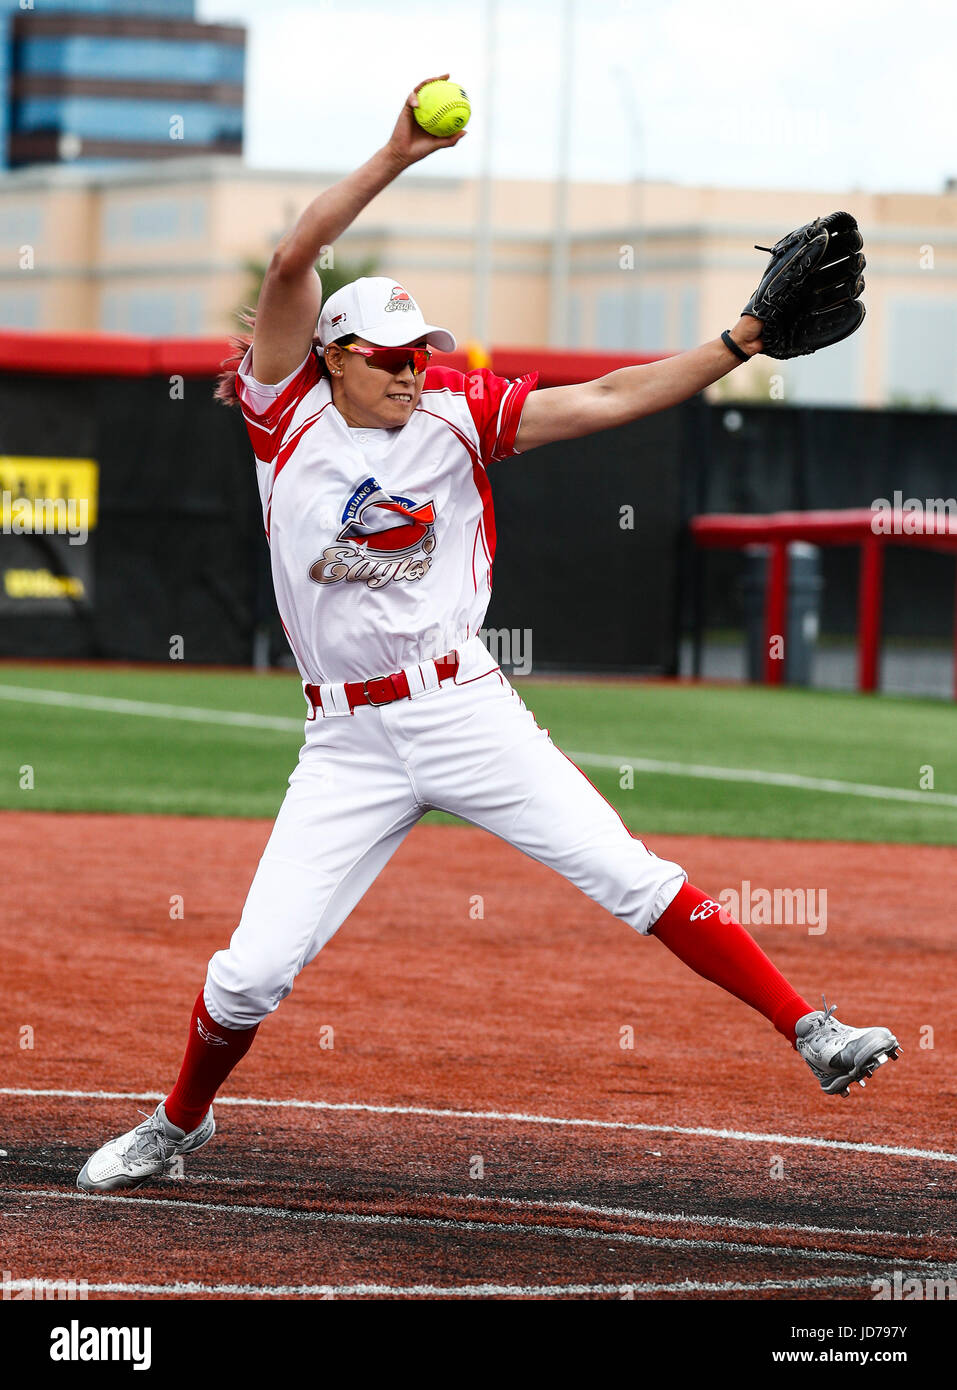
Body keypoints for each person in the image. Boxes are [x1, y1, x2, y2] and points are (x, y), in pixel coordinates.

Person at [77, 75, 899, 1194]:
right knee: (249, 973)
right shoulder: (284, 415)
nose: (415, 366)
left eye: (422, 349)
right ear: (331, 355)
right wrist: (396, 154)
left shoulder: (459, 417)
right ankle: (178, 1123)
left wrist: (741, 338)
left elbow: (610, 397)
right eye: (391, 353)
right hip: (346, 743)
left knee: (629, 872)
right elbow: (287, 264)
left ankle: (812, 1029)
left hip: (463, 705)